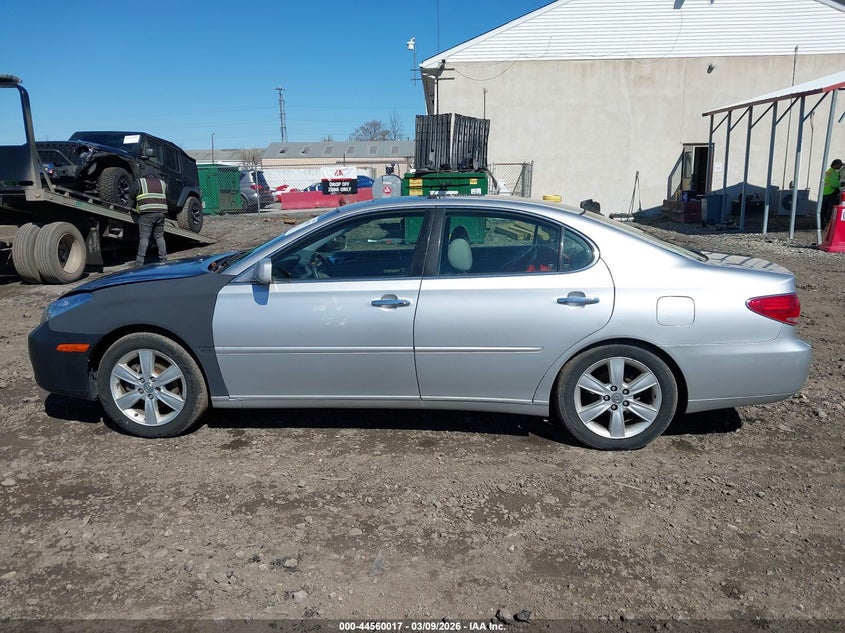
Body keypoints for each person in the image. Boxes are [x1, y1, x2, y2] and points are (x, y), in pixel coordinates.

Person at [128, 165, 168, 266]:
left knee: (144, 237)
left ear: (144, 174)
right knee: (159, 236)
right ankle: (163, 258)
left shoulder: (140, 182)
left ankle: (140, 261)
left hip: (147, 214)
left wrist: (128, 209)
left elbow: (132, 195)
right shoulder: (162, 183)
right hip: (161, 213)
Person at [822, 158, 843, 223]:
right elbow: (834, 185)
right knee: (833, 210)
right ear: (836, 165)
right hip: (832, 193)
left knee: (824, 210)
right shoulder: (834, 173)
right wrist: (840, 185)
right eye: (839, 165)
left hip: (825, 193)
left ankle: (821, 224)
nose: (840, 167)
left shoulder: (828, 171)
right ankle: (829, 224)